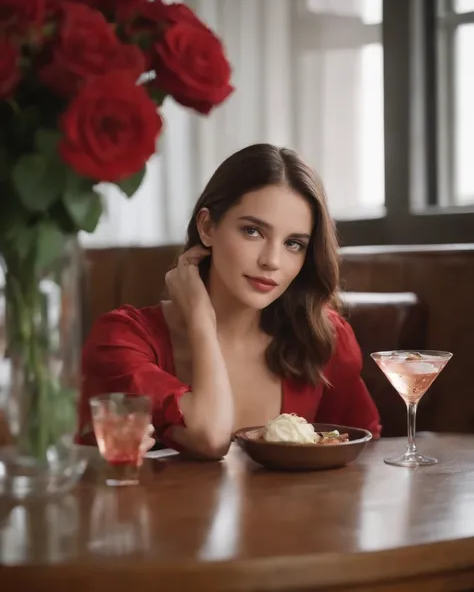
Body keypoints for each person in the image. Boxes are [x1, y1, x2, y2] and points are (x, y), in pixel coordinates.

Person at [78, 144, 381, 459]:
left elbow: (364, 450)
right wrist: (201, 320)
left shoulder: (322, 339)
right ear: (207, 227)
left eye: (294, 243)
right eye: (253, 231)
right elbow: (209, 437)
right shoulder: (122, 340)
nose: (272, 261)